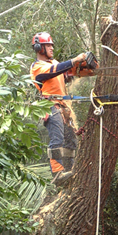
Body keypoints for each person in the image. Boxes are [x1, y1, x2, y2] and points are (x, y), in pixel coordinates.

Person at [30, 32, 87, 186]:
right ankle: (57, 173)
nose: (52, 48)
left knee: (71, 142)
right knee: (57, 139)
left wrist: (83, 67)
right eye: (48, 45)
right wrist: (73, 61)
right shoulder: (38, 67)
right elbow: (56, 70)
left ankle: (70, 169)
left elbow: (65, 73)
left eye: (52, 45)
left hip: (64, 108)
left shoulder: (54, 63)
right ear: (39, 47)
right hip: (50, 106)